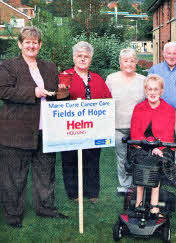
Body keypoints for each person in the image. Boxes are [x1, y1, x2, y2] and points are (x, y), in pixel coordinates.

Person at [0, 26, 68, 228]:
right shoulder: (8, 66)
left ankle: (45, 208)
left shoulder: (49, 67)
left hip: (45, 131)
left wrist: (62, 91)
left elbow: (53, 95)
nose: (32, 45)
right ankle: (13, 215)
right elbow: (3, 90)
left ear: (40, 45)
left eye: (35, 42)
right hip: (16, 131)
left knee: (45, 172)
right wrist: (33, 92)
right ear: (20, 44)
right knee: (14, 176)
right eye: (27, 42)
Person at [60, 41, 112, 203]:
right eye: (79, 56)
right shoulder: (65, 75)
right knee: (70, 160)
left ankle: (92, 192)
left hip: (93, 128)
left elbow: (107, 101)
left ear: (91, 59)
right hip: (71, 127)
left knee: (92, 159)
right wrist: (61, 91)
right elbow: (56, 100)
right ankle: (74, 193)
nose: (83, 59)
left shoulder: (97, 78)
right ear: (74, 57)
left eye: (86, 56)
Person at [130, 74, 175, 216]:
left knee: (155, 164)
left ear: (161, 91)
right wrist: (148, 147)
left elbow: (168, 134)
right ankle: (139, 204)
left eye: (156, 89)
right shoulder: (139, 108)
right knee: (142, 163)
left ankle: (154, 206)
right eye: (149, 89)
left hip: (163, 148)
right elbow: (135, 132)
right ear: (145, 90)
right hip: (140, 147)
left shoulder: (169, 110)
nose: (152, 92)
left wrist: (157, 148)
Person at [148, 42, 176, 189]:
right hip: (157, 113)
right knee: (155, 143)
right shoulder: (155, 69)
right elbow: (148, 90)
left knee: (175, 144)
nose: (172, 56)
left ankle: (173, 178)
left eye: (174, 53)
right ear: (164, 54)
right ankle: (153, 177)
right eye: (169, 53)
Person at [106, 48, 145, 195]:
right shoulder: (111, 79)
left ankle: (138, 184)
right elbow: (105, 100)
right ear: (120, 63)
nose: (129, 63)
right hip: (118, 126)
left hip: (138, 128)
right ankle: (124, 185)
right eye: (125, 60)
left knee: (138, 157)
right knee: (122, 157)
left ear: (136, 62)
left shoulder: (143, 80)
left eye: (132, 60)